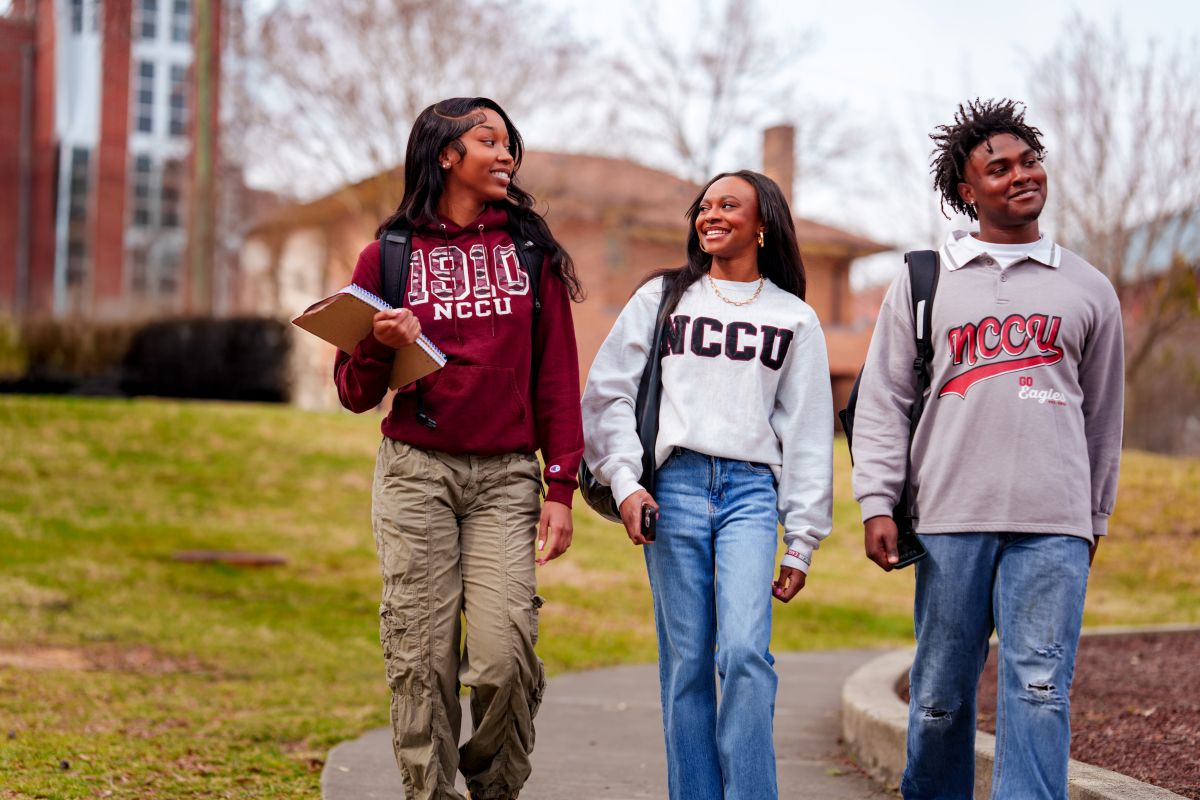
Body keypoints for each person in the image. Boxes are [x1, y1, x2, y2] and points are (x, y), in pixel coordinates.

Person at [851, 98, 1124, 800]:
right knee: (940, 697)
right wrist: (876, 500)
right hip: (950, 518)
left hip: (1053, 524)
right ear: (966, 191)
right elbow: (884, 400)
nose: (1020, 174)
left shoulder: (1089, 288)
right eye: (998, 168)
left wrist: (1093, 516)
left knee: (1041, 691)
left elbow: (1103, 417)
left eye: (1029, 161)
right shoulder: (923, 281)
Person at [334, 97, 584, 800]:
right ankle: (429, 792)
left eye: (509, 144)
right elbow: (353, 392)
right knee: (422, 655)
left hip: (506, 476)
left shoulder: (530, 253)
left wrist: (560, 487)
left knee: (505, 654)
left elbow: (557, 375)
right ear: (446, 154)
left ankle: (494, 788)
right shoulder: (388, 255)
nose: (506, 155)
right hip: (416, 472)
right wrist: (378, 346)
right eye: (488, 140)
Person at [581, 170, 834, 800]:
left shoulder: (794, 318)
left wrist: (802, 540)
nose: (711, 214)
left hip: (751, 494)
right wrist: (626, 483)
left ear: (763, 224)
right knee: (687, 663)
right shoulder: (663, 298)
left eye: (729, 205)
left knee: (745, 652)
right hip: (675, 489)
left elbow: (807, 433)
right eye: (705, 205)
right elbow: (608, 394)